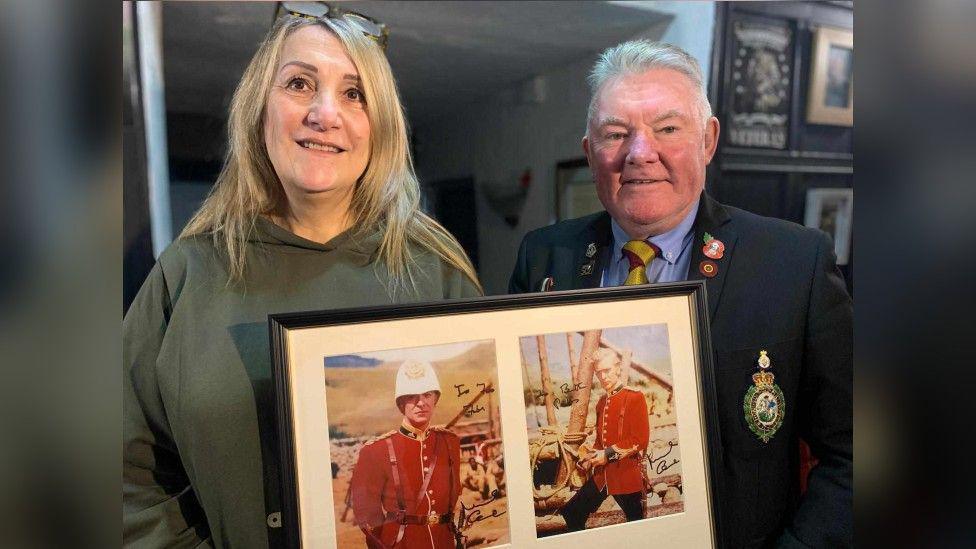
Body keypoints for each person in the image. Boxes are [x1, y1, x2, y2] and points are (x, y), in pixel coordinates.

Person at [123, 10, 481, 548]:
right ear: (259, 109)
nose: (325, 113)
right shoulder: (188, 272)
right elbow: (126, 472)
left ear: (380, 126)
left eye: (355, 94)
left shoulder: (437, 270)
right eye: (299, 83)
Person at [509, 40, 852, 547]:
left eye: (667, 129)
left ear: (708, 140)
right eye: (615, 134)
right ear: (590, 152)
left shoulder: (793, 263)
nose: (639, 153)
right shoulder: (543, 258)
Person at [349, 360, 462, 549]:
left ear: (435, 398)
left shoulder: (449, 442)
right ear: (401, 403)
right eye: (412, 396)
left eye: (427, 394)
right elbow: (368, 520)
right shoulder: (376, 451)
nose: (421, 402)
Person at [561, 347, 649, 530]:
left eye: (607, 371)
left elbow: (640, 439)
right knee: (571, 513)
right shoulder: (602, 402)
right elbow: (601, 441)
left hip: (626, 475)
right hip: (603, 476)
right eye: (599, 373)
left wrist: (607, 455)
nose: (603, 377)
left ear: (617, 368)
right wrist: (590, 458)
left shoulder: (635, 398)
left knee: (637, 526)